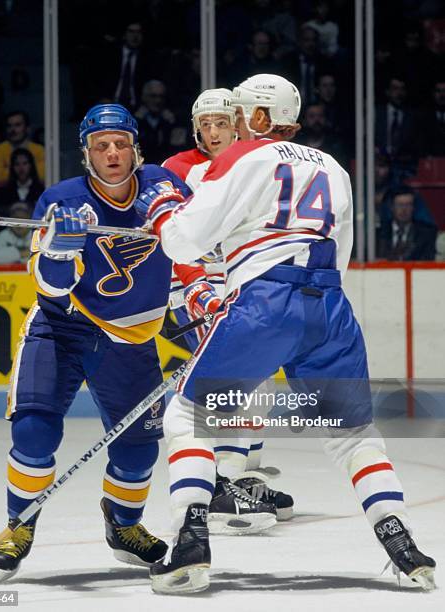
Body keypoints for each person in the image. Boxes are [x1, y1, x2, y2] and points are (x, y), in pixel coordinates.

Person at [135, 74, 436, 594]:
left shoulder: (243, 158)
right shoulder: (336, 169)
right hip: (330, 307)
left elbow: (183, 243)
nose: (232, 124)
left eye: (240, 113)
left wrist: (161, 208)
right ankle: (404, 546)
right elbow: (336, 256)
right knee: (354, 433)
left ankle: (189, 543)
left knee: (188, 414)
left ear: (257, 118)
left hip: (265, 302)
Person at [0, 104, 191, 582]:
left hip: (131, 335)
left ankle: (124, 526)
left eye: (121, 143)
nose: (113, 152)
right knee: (34, 434)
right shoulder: (61, 201)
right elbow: (51, 286)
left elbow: (193, 248)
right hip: (62, 328)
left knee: (139, 450)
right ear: (87, 154)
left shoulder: (166, 188)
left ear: (136, 149)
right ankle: (19, 525)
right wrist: (60, 251)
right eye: (102, 146)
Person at [163, 88, 293, 531]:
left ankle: (239, 479)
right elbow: (177, 238)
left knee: (256, 384)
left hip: (241, 288)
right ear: (195, 128)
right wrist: (197, 288)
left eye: (222, 122)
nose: (214, 132)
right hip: (195, 292)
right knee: (234, 387)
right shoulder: (177, 169)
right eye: (206, 125)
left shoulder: (255, 161)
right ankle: (224, 488)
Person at [378, 187, 437, 261]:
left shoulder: (426, 233)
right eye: (400, 205)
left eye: (408, 205)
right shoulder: (379, 233)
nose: (404, 209)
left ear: (414, 207)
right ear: (391, 207)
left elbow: (427, 262)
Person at [0, 111, 45, 182]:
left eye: (17, 125)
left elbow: (41, 174)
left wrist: (9, 170)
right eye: (9, 126)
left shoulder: (39, 150)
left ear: (27, 128)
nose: (13, 130)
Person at [0, 148, 44, 218]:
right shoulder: (2, 193)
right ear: (12, 167)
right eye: (17, 164)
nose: (21, 168)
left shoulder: (41, 191)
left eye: (25, 163)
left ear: (31, 165)